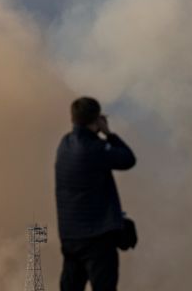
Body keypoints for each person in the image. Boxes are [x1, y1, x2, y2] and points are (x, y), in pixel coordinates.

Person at [54, 96, 137, 291]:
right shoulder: (95, 149)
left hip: (70, 236)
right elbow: (128, 159)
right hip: (97, 238)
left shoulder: (64, 144)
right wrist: (109, 133)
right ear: (96, 119)